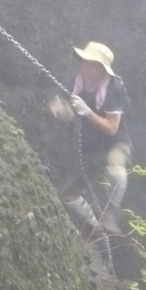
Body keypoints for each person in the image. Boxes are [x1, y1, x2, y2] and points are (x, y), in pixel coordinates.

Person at [50, 41, 132, 236]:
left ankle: (109, 216)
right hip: (90, 147)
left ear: (102, 70)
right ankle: (95, 225)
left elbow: (112, 128)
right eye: (84, 62)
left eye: (92, 64)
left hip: (114, 143)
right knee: (67, 196)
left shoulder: (114, 90)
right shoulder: (74, 83)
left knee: (116, 170)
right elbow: (62, 106)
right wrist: (61, 110)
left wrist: (86, 112)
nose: (85, 67)